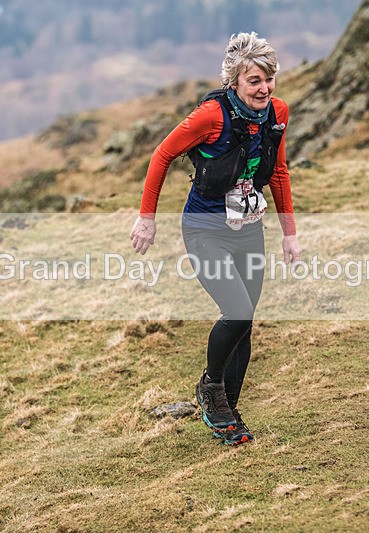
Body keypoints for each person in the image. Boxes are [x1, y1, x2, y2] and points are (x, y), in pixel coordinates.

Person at [130, 32, 302, 446]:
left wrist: (290, 234)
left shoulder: (278, 112)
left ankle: (227, 412)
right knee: (238, 311)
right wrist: (146, 219)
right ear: (235, 83)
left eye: (269, 79)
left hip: (249, 228)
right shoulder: (210, 116)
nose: (264, 88)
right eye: (254, 81)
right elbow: (161, 155)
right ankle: (211, 388)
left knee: (245, 325)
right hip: (205, 229)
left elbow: (278, 172)